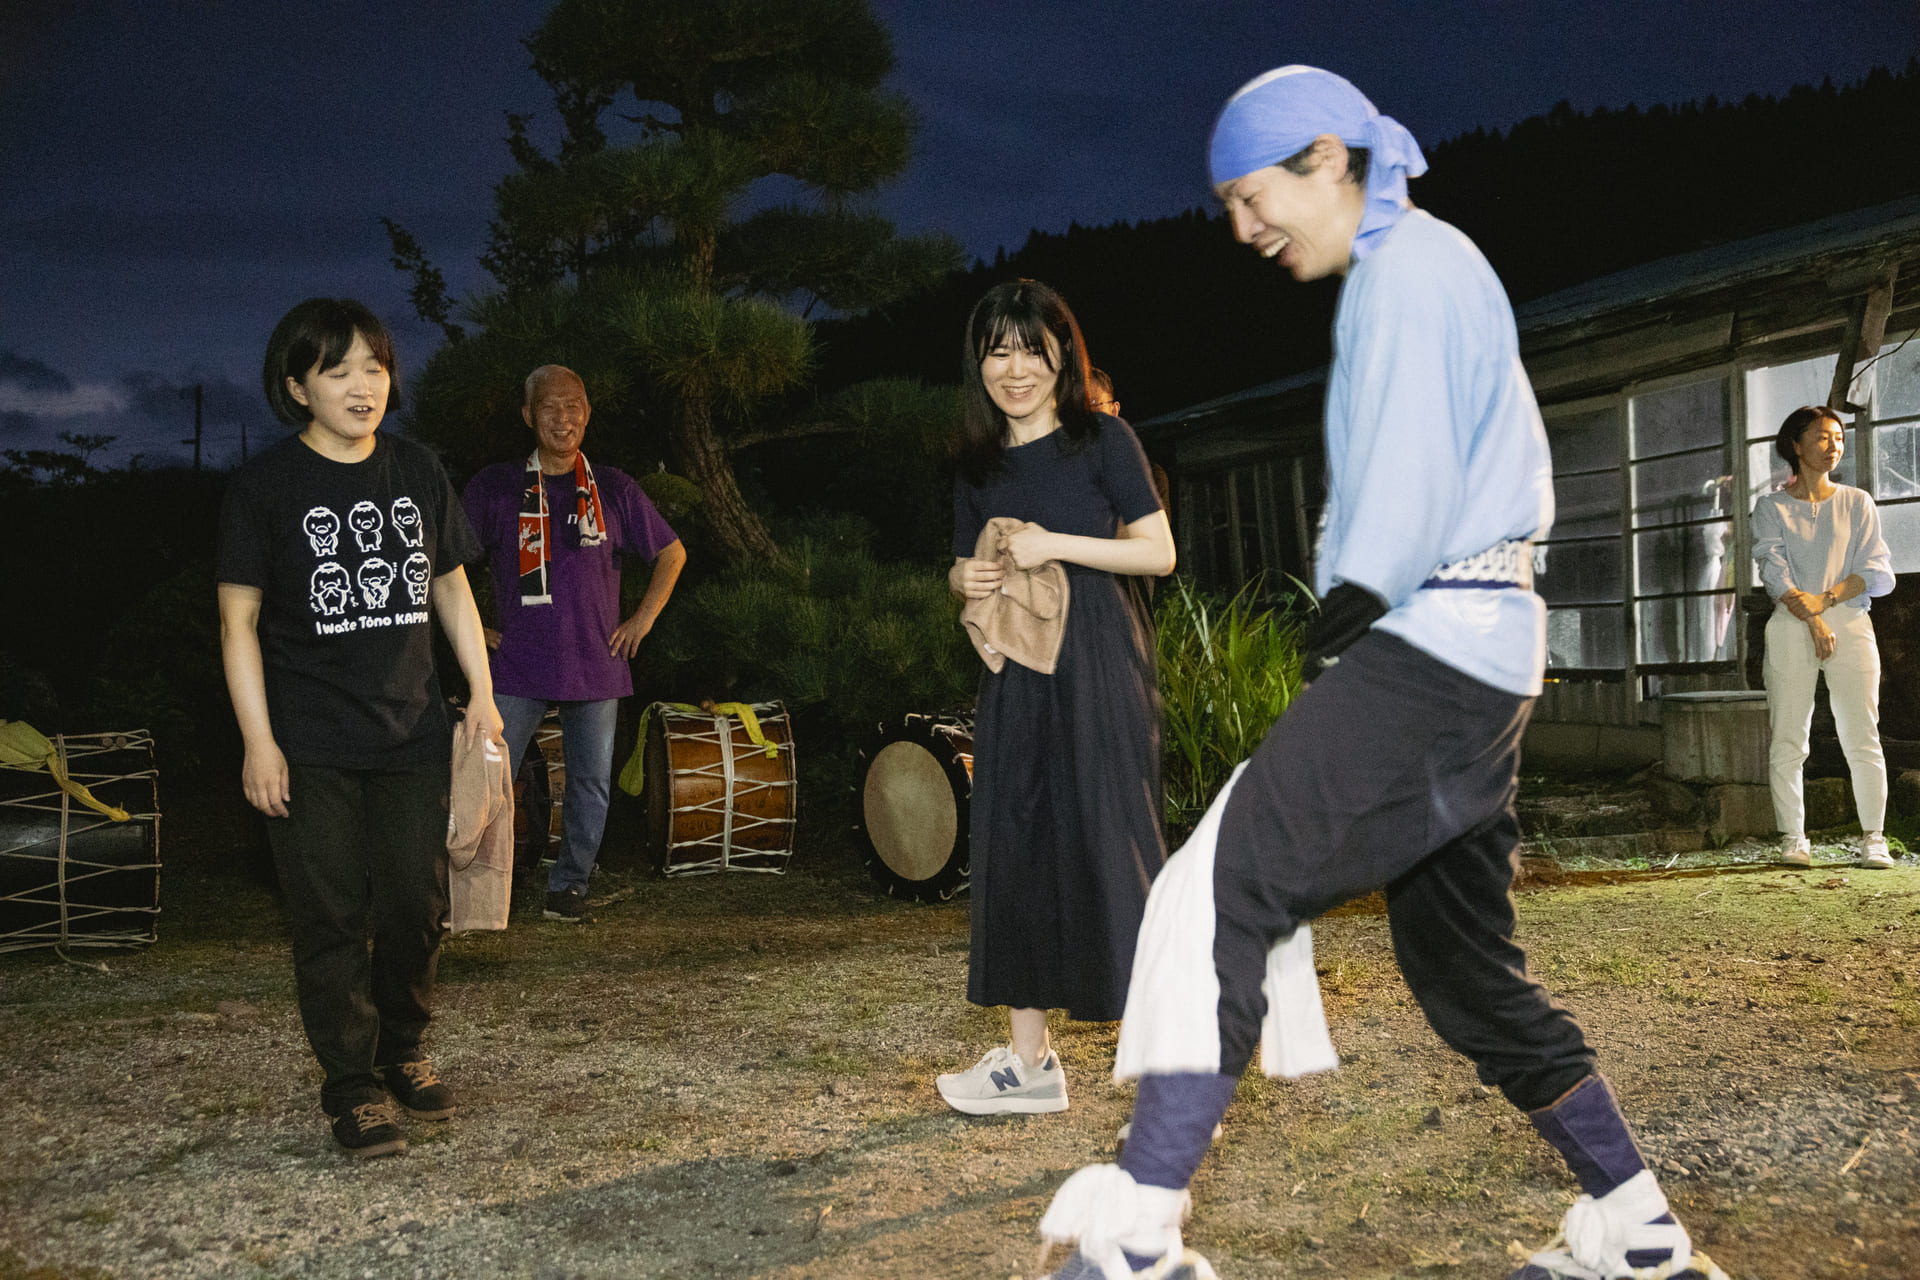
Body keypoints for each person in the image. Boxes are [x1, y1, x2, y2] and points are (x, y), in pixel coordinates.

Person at [1031, 68, 1730, 1280]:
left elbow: (1403, 483)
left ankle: (1139, 1232)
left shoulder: (1410, 271)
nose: (1244, 230)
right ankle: (1638, 1222)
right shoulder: (1426, 265)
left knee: (1217, 886)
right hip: (1482, 654)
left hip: (1434, 647)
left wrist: (1353, 598)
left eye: (1252, 197)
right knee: (1460, 961)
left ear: (1324, 159)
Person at [217, 298, 503, 1159]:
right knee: (331, 917)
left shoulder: (417, 469)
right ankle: (350, 1085)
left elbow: (449, 587)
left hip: (413, 732)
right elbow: (237, 624)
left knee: (419, 908)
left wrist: (480, 693)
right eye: (337, 370)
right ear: (298, 386)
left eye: (374, 368)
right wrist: (258, 742)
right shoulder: (262, 488)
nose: (361, 386)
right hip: (310, 745)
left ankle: (403, 1050)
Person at [939, 280, 1175, 1117]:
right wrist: (961, 574)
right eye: (997, 351)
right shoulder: (977, 466)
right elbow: (969, 567)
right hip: (1016, 671)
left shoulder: (1102, 440)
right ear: (979, 364)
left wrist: (1056, 546)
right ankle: (1030, 1064)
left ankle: (1170, 1062)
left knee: (1115, 844)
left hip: (1101, 662)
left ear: (1061, 356)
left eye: (1032, 349)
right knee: (1018, 841)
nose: (1016, 368)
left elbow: (1158, 553)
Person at [462, 365, 686, 922]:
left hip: (597, 659)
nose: (563, 418)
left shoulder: (612, 486)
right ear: (527, 415)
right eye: (549, 408)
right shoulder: (496, 485)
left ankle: (570, 887)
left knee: (591, 782)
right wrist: (471, 627)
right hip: (516, 661)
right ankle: (475, 887)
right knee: (489, 776)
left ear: (587, 413)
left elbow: (671, 553)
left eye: (574, 407)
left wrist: (642, 619)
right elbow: (444, 562)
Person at [1751, 404, 1896, 870]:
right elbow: (1773, 569)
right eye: (1821, 436)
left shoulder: (1857, 502)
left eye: (1838, 437)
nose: (1833, 445)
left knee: (1862, 734)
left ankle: (1873, 837)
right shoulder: (1770, 507)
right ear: (1796, 444)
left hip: (1850, 620)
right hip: (1790, 624)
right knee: (1789, 736)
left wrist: (1827, 602)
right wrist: (1811, 617)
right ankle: (1794, 837)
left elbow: (1875, 569)